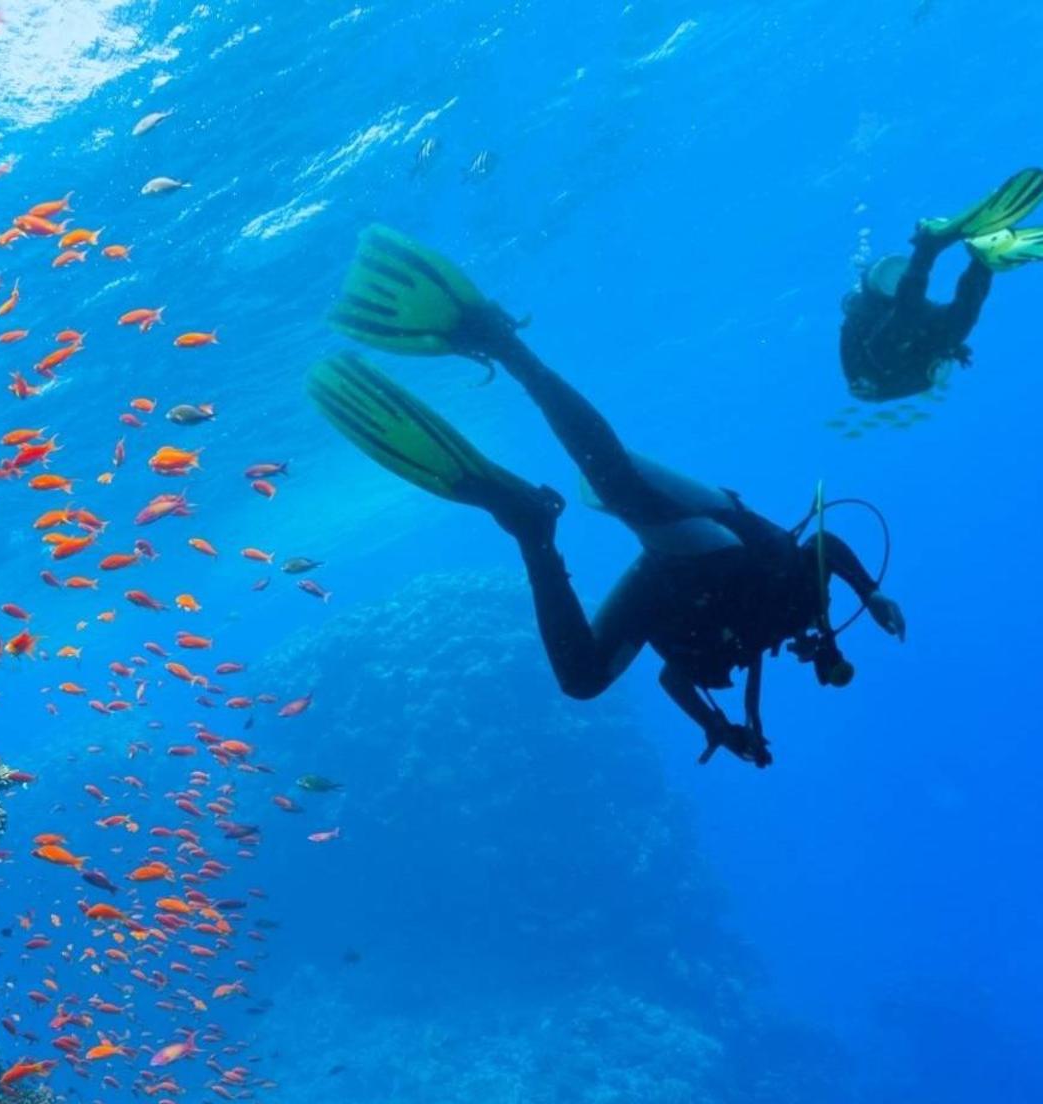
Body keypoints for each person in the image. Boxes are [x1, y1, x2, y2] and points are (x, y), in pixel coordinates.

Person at [308, 226, 906, 767]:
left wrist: (719, 728)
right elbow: (825, 541)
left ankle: (527, 523)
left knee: (583, 679)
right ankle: (504, 344)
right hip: (722, 534)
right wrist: (870, 592)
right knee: (617, 482)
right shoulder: (806, 603)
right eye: (829, 664)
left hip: (671, 575)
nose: (811, 658)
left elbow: (673, 679)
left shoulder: (741, 654)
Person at [840, 167, 1043, 402]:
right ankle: (982, 262)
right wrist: (953, 349)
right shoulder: (862, 329)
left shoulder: (865, 326)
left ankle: (928, 245)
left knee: (912, 316)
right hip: (916, 346)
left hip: (897, 348)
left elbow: (910, 309)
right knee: (961, 318)